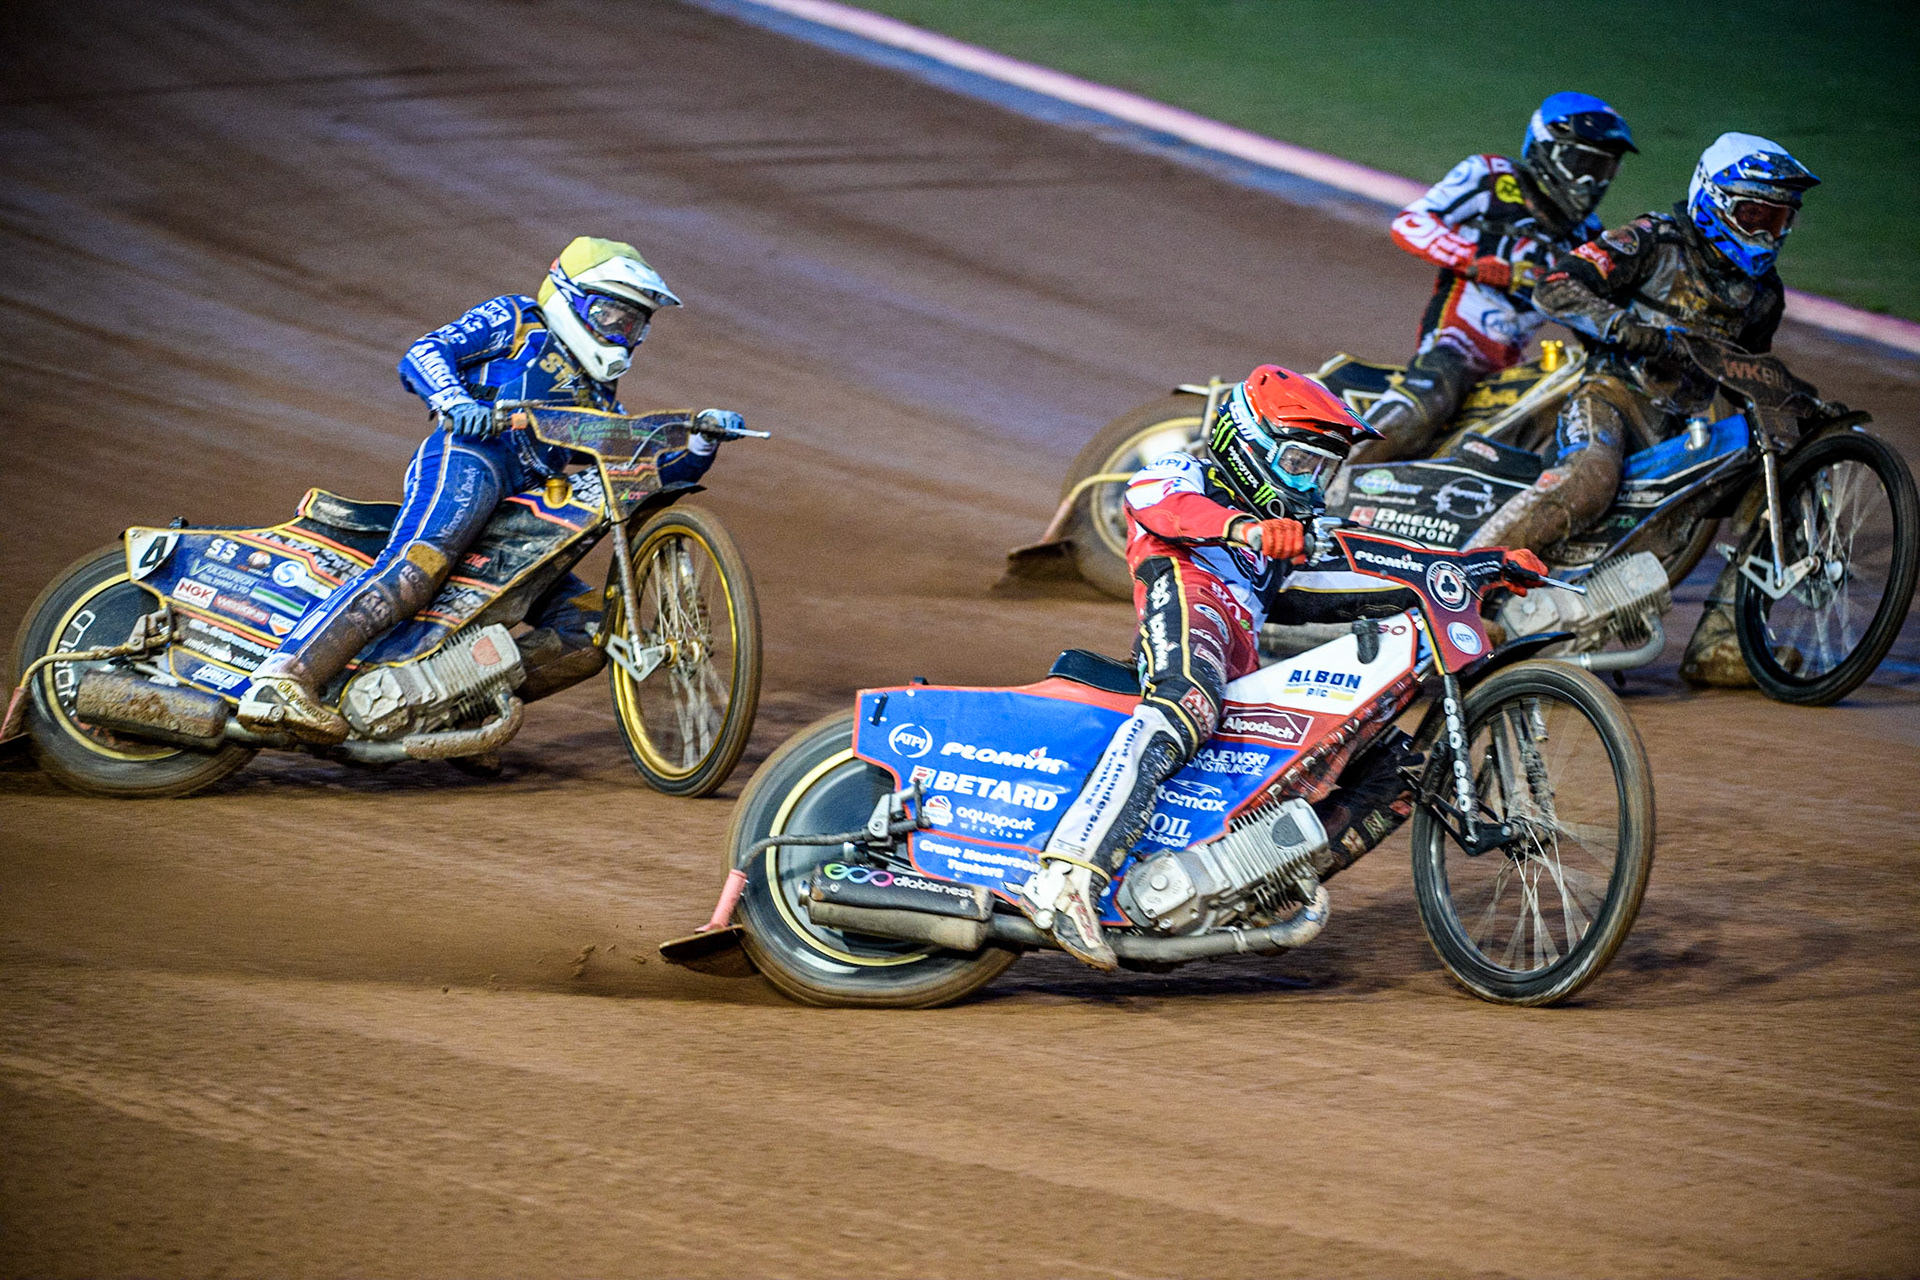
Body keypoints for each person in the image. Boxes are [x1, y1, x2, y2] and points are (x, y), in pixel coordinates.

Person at [1018, 365, 1545, 968]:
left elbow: (1368, 564)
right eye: (1299, 462)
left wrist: (1479, 562)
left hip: (1244, 664)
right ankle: (1065, 879)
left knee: (1404, 768)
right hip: (1189, 607)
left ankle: (1244, 890)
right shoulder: (1187, 473)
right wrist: (1246, 529)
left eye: (1323, 468)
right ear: (1249, 444)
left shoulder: (1291, 535)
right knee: (1189, 698)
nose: (1311, 482)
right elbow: (1158, 506)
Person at [238, 236, 737, 742]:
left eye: (633, 324)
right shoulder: (516, 319)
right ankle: (284, 678)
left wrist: (698, 444)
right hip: (473, 456)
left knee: (589, 633)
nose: (622, 332)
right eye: (610, 315)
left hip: (529, 507)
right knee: (419, 566)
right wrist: (455, 401)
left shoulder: (599, 398)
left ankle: (451, 717)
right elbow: (426, 351)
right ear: (570, 297)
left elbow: (637, 472)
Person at [1468, 133, 1821, 685]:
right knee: (1589, 478)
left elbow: (1744, 372)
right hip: (1609, 396)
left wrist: (1789, 400)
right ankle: (1457, 592)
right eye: (1753, 214)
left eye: (1776, 220)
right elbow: (1555, 287)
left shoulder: (1763, 293)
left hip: (1681, 435)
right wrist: (1631, 331)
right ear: (1715, 201)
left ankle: (1722, 640)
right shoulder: (1654, 238)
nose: (1763, 232)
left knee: (1779, 475)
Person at [1352, 93, 1637, 469]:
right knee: (1431, 399)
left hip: (1513, 364)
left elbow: (1597, 305)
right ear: (1548, 151)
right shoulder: (1490, 177)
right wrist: (1479, 263)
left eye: (1603, 170)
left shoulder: (1588, 234)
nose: (1591, 181)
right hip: (1455, 342)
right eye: (1582, 163)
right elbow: (1410, 224)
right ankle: (1330, 469)